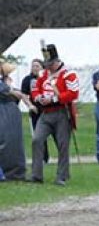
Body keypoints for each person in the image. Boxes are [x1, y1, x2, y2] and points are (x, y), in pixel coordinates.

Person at [30, 44, 79, 185]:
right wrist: (39, 98)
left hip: (62, 113)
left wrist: (54, 98)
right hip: (45, 113)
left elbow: (73, 93)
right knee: (37, 139)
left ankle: (61, 176)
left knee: (63, 145)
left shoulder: (69, 74)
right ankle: (36, 175)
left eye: (50, 64)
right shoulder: (43, 74)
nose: (48, 67)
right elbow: (35, 89)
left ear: (57, 61)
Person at [0, 60, 30, 181]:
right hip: (4, 112)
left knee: (12, 141)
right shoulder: (4, 86)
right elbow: (16, 94)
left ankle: (14, 171)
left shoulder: (6, 83)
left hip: (10, 112)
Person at [21, 58, 48, 165]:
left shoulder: (47, 78)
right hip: (36, 111)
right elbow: (23, 95)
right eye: (33, 66)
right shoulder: (28, 79)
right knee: (38, 136)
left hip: (48, 110)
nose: (35, 68)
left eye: (37, 66)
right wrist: (30, 105)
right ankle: (42, 158)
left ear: (42, 67)